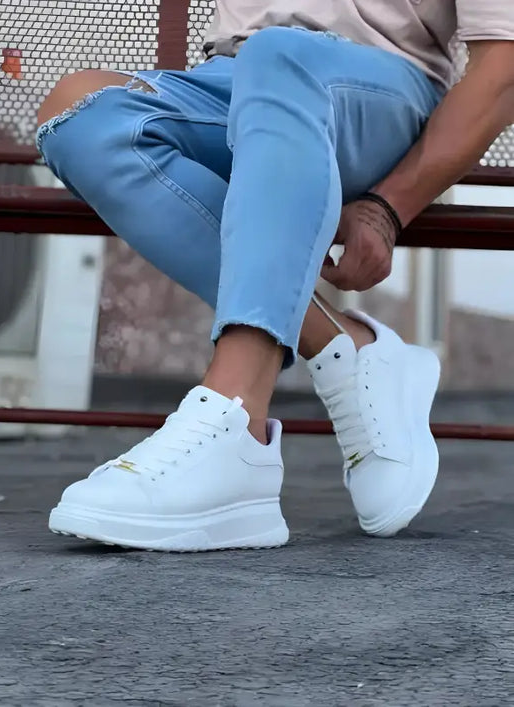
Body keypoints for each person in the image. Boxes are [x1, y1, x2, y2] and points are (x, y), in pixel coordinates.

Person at [37, 1, 514, 551]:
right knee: (78, 113)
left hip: (374, 91)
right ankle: (345, 347)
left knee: (281, 54)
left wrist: (388, 207)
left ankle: (238, 428)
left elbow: (501, 68)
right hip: (232, 79)